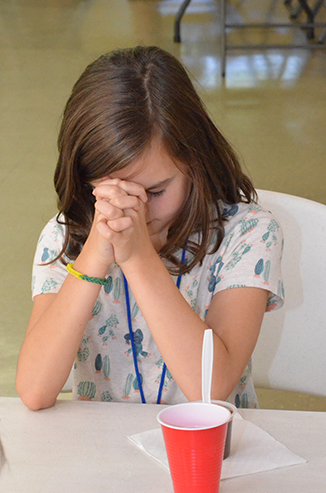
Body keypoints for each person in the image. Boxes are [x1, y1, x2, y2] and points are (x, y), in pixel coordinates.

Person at [16, 46, 284, 411]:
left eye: (155, 191)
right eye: (111, 194)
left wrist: (138, 259)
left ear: (195, 161)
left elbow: (210, 387)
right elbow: (34, 391)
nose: (134, 213)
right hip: (102, 451)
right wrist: (95, 256)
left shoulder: (248, 233)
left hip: (212, 454)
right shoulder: (68, 238)